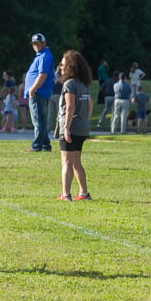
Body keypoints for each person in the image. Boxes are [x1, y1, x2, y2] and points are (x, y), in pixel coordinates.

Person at [56, 50, 93, 201]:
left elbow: (70, 107)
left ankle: (65, 194)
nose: (60, 67)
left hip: (71, 128)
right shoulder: (83, 85)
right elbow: (90, 105)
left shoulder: (69, 84)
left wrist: (66, 128)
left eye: (63, 64)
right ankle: (84, 193)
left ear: (70, 66)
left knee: (67, 162)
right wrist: (85, 120)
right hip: (82, 127)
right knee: (77, 162)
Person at [24, 33, 54, 151]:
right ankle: (46, 145)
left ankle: (36, 146)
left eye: (38, 43)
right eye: (34, 43)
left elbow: (43, 75)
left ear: (44, 43)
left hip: (38, 92)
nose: (35, 45)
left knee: (38, 120)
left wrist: (32, 89)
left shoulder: (45, 56)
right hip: (39, 92)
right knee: (40, 119)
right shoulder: (41, 55)